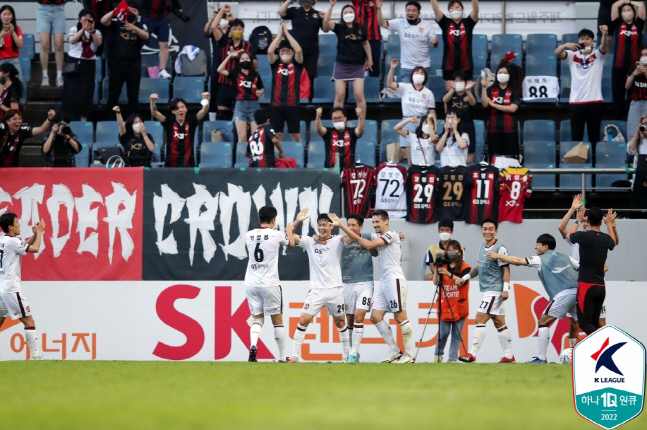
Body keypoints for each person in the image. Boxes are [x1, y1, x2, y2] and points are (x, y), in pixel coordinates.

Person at [332, 210, 416, 363]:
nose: (375, 225)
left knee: (400, 316)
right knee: (375, 317)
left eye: (378, 221)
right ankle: (394, 350)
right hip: (384, 281)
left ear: (386, 221)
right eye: (374, 222)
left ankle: (409, 355)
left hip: (394, 279)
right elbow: (367, 246)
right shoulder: (380, 236)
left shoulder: (391, 235)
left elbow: (370, 244)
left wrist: (345, 229)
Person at [487, 234, 580, 363]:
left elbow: (518, 261)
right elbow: (582, 267)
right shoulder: (566, 257)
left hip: (563, 294)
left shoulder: (540, 259)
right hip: (578, 292)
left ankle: (542, 358)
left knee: (543, 322)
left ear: (545, 247)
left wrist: (498, 256)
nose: (535, 247)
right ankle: (576, 354)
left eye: (538, 244)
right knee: (576, 323)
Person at [286, 209, 351, 363]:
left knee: (341, 322)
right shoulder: (309, 241)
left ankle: (346, 357)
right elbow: (288, 235)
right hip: (316, 291)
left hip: (335, 290)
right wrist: (297, 221)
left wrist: (341, 224)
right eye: (319, 225)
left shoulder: (338, 241)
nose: (321, 228)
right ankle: (294, 356)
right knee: (303, 320)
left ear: (331, 226)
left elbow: (353, 238)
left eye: (325, 225)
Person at [459, 218, 515, 363]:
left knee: (479, 319)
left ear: (496, 231)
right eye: (485, 229)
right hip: (487, 290)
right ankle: (509, 355)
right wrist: (465, 278)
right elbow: (479, 267)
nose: (487, 231)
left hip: (494, 290)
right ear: (481, 230)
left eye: (490, 229)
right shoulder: (481, 248)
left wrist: (505, 289)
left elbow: (506, 269)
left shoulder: (500, 248)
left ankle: (472, 353)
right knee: (499, 323)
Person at [559, 195, 618, 329]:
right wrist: (610, 225)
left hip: (586, 286)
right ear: (601, 222)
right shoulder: (604, 238)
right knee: (595, 323)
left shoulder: (583, 236)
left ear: (588, 220)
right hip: (601, 287)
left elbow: (569, 235)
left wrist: (577, 221)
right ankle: (601, 348)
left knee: (585, 324)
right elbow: (613, 242)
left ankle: (605, 346)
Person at [245, 205, 291, 362]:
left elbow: (261, 239)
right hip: (270, 283)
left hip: (251, 283)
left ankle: (253, 346)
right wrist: (289, 230)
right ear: (273, 220)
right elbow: (291, 244)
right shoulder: (276, 234)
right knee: (277, 320)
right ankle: (283, 357)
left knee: (257, 318)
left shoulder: (248, 235)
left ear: (259, 219)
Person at [0, 212, 46, 360]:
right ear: (10, 227)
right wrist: (39, 233)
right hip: (11, 288)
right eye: (17, 222)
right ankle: (35, 356)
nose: (19, 225)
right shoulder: (12, 242)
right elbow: (35, 248)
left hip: (2, 288)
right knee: (28, 321)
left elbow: (24, 246)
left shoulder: (4, 240)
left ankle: (35, 356)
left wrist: (33, 235)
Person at [556, 26, 611, 145]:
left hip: (594, 101)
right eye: (582, 39)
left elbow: (605, 47)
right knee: (576, 136)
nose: (584, 41)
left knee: (594, 136)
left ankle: (594, 161)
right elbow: (557, 52)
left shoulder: (598, 55)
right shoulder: (572, 55)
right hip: (576, 102)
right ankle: (577, 161)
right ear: (578, 41)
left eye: (587, 39)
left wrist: (605, 34)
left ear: (592, 41)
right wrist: (565, 45)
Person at [324, 0, 372, 119]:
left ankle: (362, 122)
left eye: (350, 12)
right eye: (345, 12)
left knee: (359, 95)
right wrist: (331, 6)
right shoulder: (339, 27)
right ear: (342, 15)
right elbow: (326, 22)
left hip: (358, 65)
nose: (348, 14)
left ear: (355, 14)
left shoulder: (360, 28)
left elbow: (365, 43)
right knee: (340, 96)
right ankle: (337, 119)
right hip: (342, 65)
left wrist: (370, 58)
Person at [341, 214, 377, 363]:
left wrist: (368, 244)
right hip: (347, 283)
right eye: (348, 225)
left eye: (353, 225)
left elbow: (376, 251)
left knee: (359, 316)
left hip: (365, 282)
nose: (350, 227)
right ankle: (352, 350)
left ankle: (353, 353)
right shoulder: (342, 240)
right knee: (349, 319)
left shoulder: (370, 236)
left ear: (360, 226)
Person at [101, 4, 150, 116]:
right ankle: (110, 122)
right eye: (129, 10)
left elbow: (146, 36)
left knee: (133, 96)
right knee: (113, 94)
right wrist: (114, 11)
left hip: (134, 66)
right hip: (117, 65)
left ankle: (132, 122)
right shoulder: (117, 24)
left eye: (134, 10)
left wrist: (134, 28)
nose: (131, 12)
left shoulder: (140, 25)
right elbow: (103, 21)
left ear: (138, 14)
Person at [386, 58, 437, 162]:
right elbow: (390, 84)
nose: (419, 75)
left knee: (423, 154)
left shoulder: (428, 93)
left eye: (421, 73)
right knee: (410, 158)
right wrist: (392, 69)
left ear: (425, 77)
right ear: (412, 75)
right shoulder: (405, 87)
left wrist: (434, 127)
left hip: (422, 123)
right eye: (416, 72)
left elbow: (432, 112)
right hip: (408, 121)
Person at [377, 0, 438, 83]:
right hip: (406, 67)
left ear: (419, 13)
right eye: (408, 10)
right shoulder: (400, 23)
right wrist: (379, 9)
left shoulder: (427, 25)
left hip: (423, 67)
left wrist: (434, 42)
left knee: (421, 94)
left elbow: (434, 43)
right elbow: (381, 23)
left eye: (413, 11)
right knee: (407, 94)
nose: (410, 13)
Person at [213, 5, 255, 121]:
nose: (237, 30)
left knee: (240, 112)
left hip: (241, 83)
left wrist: (243, 56)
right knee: (222, 110)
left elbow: (255, 64)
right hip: (225, 82)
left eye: (240, 29)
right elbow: (214, 27)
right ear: (230, 30)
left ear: (243, 31)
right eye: (234, 28)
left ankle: (239, 136)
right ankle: (223, 136)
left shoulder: (248, 46)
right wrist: (222, 11)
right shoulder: (224, 43)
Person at [278, 0, 326, 98]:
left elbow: (326, 29)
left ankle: (309, 99)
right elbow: (281, 12)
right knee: (294, 74)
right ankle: (294, 98)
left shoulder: (317, 14)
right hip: (295, 51)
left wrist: (325, 18)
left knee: (311, 75)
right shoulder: (294, 11)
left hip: (312, 51)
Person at [432, 239, 470, 362]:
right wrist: (437, 270)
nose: (452, 252)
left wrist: (448, 273)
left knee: (456, 335)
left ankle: (452, 360)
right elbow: (435, 282)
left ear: (460, 252)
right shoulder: (443, 265)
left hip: (459, 304)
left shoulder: (466, 267)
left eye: (454, 250)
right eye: (449, 250)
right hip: (445, 304)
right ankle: (438, 354)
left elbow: (461, 281)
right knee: (443, 333)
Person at [217, 50, 264, 148]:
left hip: (254, 106)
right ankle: (242, 161)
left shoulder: (256, 74)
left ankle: (254, 161)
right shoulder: (234, 73)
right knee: (242, 138)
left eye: (247, 58)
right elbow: (219, 70)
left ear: (251, 61)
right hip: (240, 106)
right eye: (242, 59)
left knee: (255, 137)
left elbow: (261, 87)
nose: (245, 60)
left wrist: (260, 92)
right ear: (239, 61)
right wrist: (229, 56)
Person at [62, 9, 102, 122]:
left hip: (88, 62)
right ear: (80, 19)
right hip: (73, 61)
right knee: (70, 91)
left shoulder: (97, 31)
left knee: (86, 92)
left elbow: (98, 43)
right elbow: (72, 40)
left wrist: (92, 30)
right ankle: (66, 120)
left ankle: (83, 119)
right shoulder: (74, 29)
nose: (87, 20)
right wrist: (83, 30)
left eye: (90, 18)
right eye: (85, 18)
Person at [150, 92, 210, 167]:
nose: (180, 110)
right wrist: (152, 101)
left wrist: (206, 99)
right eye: (177, 108)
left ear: (186, 109)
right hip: (171, 165)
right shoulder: (169, 122)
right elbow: (155, 113)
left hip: (188, 165)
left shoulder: (191, 120)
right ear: (173, 111)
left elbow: (204, 111)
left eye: (182, 107)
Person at [430, 0, 479, 91]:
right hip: (449, 66)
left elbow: (475, 10)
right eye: (451, 8)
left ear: (462, 9)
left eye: (457, 7)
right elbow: (436, 9)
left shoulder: (468, 22)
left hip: (466, 65)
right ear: (449, 11)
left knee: (466, 95)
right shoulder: (445, 23)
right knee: (449, 95)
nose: (454, 10)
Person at [267, 23, 304, 143]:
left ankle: (297, 159)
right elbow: (269, 51)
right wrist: (280, 35)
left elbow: (298, 49)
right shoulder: (275, 64)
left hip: (292, 105)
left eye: (288, 51)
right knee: (277, 135)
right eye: (282, 51)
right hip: (276, 105)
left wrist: (287, 33)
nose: (285, 53)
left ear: (292, 53)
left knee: (295, 135)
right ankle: (278, 159)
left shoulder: (297, 64)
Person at [610, 0, 646, 118]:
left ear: (633, 12)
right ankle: (618, 120)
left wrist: (630, 2)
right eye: (624, 10)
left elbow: (641, 5)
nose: (626, 12)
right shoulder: (617, 24)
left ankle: (633, 119)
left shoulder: (639, 24)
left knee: (632, 95)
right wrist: (624, 2)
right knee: (618, 95)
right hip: (618, 65)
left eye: (629, 10)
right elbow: (615, 5)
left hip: (634, 67)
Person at [481, 64, 520, 163]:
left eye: (505, 73)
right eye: (500, 73)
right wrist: (484, 87)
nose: (502, 75)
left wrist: (493, 105)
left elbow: (513, 108)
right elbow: (485, 104)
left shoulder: (514, 90)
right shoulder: (491, 90)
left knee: (511, 161)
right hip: (494, 130)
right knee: (494, 161)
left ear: (509, 75)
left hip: (510, 130)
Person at [140, 0, 183, 79]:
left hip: (162, 18)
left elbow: (177, 6)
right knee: (140, 43)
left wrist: (178, 7)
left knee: (164, 44)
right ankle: (135, 67)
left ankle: (162, 70)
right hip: (147, 16)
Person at [443, 71, 477, 163]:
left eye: (461, 80)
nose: (458, 83)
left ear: (465, 82)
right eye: (456, 81)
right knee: (451, 154)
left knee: (469, 159)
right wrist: (452, 89)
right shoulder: (450, 93)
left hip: (467, 125)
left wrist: (468, 90)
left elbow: (473, 103)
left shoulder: (469, 94)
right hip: (452, 126)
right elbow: (444, 100)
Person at [36, 0, 65, 87]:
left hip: (59, 9)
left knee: (59, 45)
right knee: (44, 45)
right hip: (43, 9)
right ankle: (45, 76)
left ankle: (59, 76)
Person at [352, 0, 381, 78]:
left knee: (374, 68)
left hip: (374, 38)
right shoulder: (357, 1)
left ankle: (374, 87)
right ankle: (355, 87)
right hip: (359, 39)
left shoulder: (376, 1)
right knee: (356, 66)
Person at [0, 5, 23, 80]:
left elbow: (20, 45)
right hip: (1, 60)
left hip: (14, 60)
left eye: (9, 14)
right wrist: (1, 35)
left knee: (19, 82)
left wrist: (13, 31)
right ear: (0, 16)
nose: (6, 17)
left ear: (12, 16)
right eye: (4, 14)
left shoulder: (17, 29)